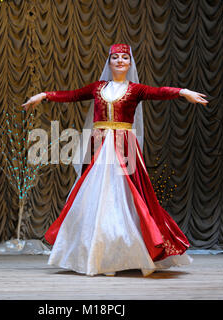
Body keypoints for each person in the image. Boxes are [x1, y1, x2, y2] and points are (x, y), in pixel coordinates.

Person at [22, 43, 208, 277]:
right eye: (115, 57)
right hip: (99, 147)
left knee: (130, 197)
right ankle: (101, 255)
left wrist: (182, 92)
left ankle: (133, 253)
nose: (120, 61)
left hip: (125, 148)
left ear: (130, 63)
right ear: (109, 62)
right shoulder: (98, 87)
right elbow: (73, 95)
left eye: (125, 58)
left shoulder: (136, 89)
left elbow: (159, 91)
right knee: (97, 198)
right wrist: (44, 95)